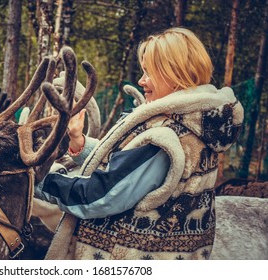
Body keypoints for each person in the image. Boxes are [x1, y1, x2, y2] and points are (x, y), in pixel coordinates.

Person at [35, 27, 244, 260]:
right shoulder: (197, 125)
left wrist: (38, 179)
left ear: (175, 73)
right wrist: (81, 142)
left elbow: (102, 196)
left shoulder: (165, 136)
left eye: (149, 72)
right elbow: (130, 167)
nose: (141, 81)